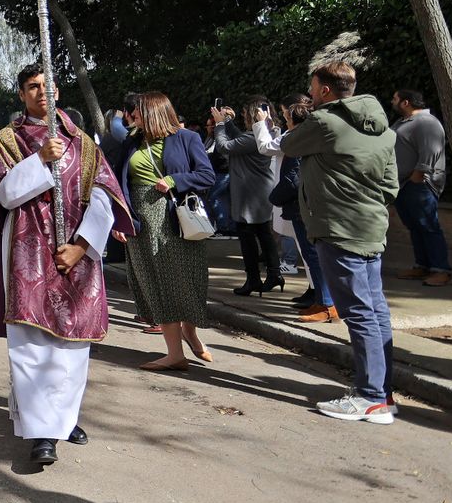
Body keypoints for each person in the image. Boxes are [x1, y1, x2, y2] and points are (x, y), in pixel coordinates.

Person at [0, 67, 134, 467]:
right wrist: (39, 161)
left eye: (47, 86)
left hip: (75, 260)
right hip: (26, 256)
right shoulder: (9, 142)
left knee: (71, 347)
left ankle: (65, 419)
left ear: (58, 91)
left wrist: (82, 247)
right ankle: (41, 433)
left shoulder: (83, 144)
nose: (41, 93)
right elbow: (6, 196)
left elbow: (102, 198)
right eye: (33, 87)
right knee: (31, 348)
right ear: (21, 94)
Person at [261, 62, 399, 424]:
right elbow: (391, 185)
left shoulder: (324, 122)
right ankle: (382, 392)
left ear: (324, 90)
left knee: (358, 312)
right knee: (375, 309)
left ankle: (370, 397)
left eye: (312, 87)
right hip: (371, 227)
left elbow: (287, 144)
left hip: (338, 229)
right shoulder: (385, 130)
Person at [116, 91, 216, 372]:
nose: (131, 115)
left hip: (176, 221)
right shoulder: (132, 142)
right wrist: (119, 221)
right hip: (141, 223)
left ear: (153, 113)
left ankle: (190, 332)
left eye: (136, 111)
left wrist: (174, 180)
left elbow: (207, 176)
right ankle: (175, 353)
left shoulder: (187, 138)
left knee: (186, 281)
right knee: (156, 284)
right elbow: (117, 183)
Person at [261, 95, 336, 323]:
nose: (283, 118)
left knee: (314, 255)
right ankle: (322, 300)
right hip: (305, 204)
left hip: (303, 205)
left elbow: (292, 178)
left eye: (285, 114)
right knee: (313, 254)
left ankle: (327, 304)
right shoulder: (302, 137)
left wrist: (276, 197)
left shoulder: (298, 141)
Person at [211, 97, 283, 295]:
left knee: (247, 236)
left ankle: (253, 279)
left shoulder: (253, 138)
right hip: (260, 191)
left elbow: (225, 146)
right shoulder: (269, 133)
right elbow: (240, 139)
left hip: (249, 193)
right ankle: (274, 274)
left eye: (245, 114)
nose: (243, 117)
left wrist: (219, 124)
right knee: (264, 233)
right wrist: (228, 123)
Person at [390, 89, 451, 286]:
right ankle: (422, 265)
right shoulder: (403, 122)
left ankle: (441, 270)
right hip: (403, 184)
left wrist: (419, 174)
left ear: (406, 102)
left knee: (428, 225)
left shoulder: (426, 122)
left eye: (395, 99)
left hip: (419, 183)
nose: (392, 102)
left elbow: (431, 149)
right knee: (414, 226)